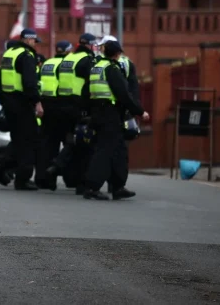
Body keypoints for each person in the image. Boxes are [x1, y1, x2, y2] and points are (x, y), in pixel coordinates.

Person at [84, 40, 149, 200]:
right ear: (117, 54)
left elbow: (86, 91)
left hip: (99, 113)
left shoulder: (97, 67)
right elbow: (124, 94)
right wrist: (140, 111)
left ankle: (118, 186)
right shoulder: (112, 69)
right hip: (110, 115)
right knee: (105, 151)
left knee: (119, 150)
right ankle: (92, 187)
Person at [0, 28, 43, 191]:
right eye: (35, 41)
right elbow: (29, 83)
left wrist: (3, 101)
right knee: (29, 140)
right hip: (22, 104)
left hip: (9, 103)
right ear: (28, 40)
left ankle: (2, 168)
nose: (36, 45)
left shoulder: (9, 54)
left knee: (19, 139)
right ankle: (23, 179)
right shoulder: (26, 56)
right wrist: (36, 102)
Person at [47, 33, 98, 193]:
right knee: (84, 144)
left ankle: (63, 171)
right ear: (90, 45)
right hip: (79, 107)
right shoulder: (87, 60)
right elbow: (91, 84)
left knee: (72, 140)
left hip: (62, 106)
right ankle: (69, 174)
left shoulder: (68, 59)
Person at [35, 40, 73, 190]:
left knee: (47, 146)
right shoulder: (67, 65)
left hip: (46, 107)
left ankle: (44, 179)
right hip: (62, 107)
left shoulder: (47, 63)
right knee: (70, 144)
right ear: (68, 51)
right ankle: (71, 179)